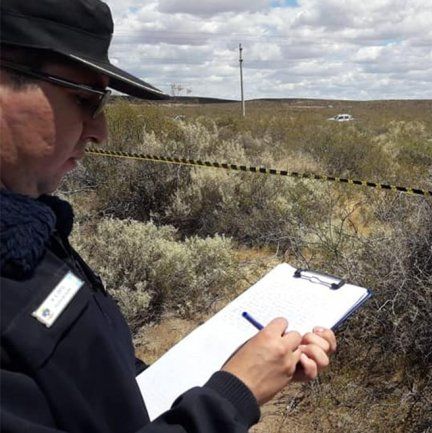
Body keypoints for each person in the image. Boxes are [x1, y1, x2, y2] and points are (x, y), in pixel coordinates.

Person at [0, 0, 337, 431]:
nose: (100, 130)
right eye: (84, 98)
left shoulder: (33, 234)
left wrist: (227, 367)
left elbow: (90, 383)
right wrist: (233, 395)